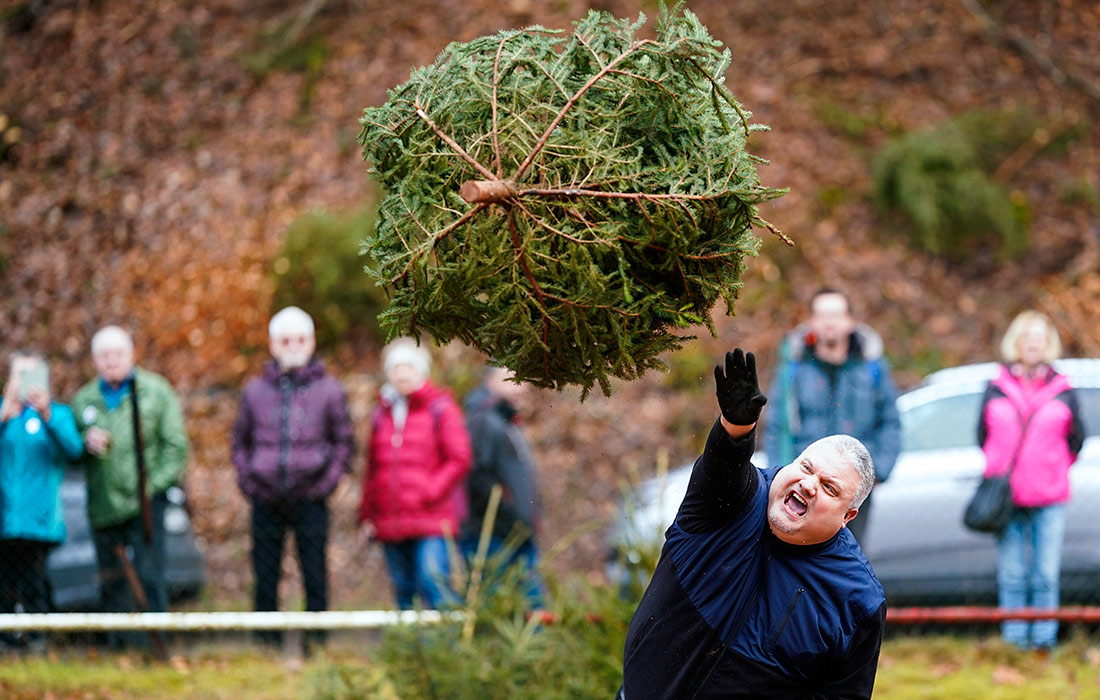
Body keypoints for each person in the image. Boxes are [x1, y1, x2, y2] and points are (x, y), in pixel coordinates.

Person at [619, 349, 885, 700]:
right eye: (806, 467)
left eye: (829, 487)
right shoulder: (733, 503)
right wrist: (737, 426)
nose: (809, 484)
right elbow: (724, 467)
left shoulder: (856, 598)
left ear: (847, 517)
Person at [231, 306, 354, 648]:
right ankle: (266, 644)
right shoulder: (254, 391)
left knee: (315, 574)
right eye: (286, 340)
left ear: (311, 341)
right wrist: (249, 482)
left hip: (311, 498)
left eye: (300, 339)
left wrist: (325, 486)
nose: (293, 345)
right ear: (273, 344)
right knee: (265, 575)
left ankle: (316, 644)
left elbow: (343, 442)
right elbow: (239, 441)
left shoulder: (329, 390)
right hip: (265, 497)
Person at [71, 325, 189, 645]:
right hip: (103, 505)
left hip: (146, 504)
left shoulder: (155, 391)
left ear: (131, 355)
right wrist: (84, 442)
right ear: (95, 360)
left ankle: (155, 646)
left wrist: (153, 487)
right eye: (104, 355)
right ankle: (117, 649)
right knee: (111, 579)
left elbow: (175, 447)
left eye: (117, 354)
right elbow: (68, 449)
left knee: (150, 575)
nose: (111, 361)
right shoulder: (84, 400)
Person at [979, 311, 1084, 651]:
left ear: (1048, 342)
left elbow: (1076, 440)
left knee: (1044, 576)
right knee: (1011, 575)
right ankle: (1014, 642)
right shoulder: (995, 388)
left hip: (1050, 497)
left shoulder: (1064, 390)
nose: (1033, 343)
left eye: (1039, 336)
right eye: (1027, 336)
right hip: (1006, 498)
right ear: (1017, 342)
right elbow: (981, 435)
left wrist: (1052, 468)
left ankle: (1042, 643)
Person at [763, 287, 901, 545]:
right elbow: (777, 425)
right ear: (811, 321)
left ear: (850, 321)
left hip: (853, 487)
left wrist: (879, 471)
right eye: (822, 315)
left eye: (836, 314)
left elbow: (890, 421)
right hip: (803, 486)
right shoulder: (793, 369)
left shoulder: (872, 368)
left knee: (848, 556)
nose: (829, 322)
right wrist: (779, 473)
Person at [358, 338, 471, 610]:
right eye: (395, 367)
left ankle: (447, 648)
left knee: (432, 581)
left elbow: (459, 458)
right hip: (391, 519)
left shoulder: (440, 408)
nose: (402, 373)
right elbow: (373, 469)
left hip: (431, 518)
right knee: (403, 589)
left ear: (421, 369)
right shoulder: (382, 414)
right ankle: (410, 650)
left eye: (407, 366)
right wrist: (367, 514)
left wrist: (430, 489)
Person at [0, 352, 84, 650]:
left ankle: (38, 638)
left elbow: (74, 451)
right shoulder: (4, 413)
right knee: (4, 583)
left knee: (34, 580)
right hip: (5, 517)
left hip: (40, 519)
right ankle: (7, 641)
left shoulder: (57, 414)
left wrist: (48, 416)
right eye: (19, 375)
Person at [460, 366, 544, 608]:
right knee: (492, 603)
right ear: (490, 381)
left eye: (522, 379)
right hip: (494, 534)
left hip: (518, 530)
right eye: (511, 380)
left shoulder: (505, 419)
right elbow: (478, 476)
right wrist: (509, 516)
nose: (522, 386)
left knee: (530, 602)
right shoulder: (483, 419)